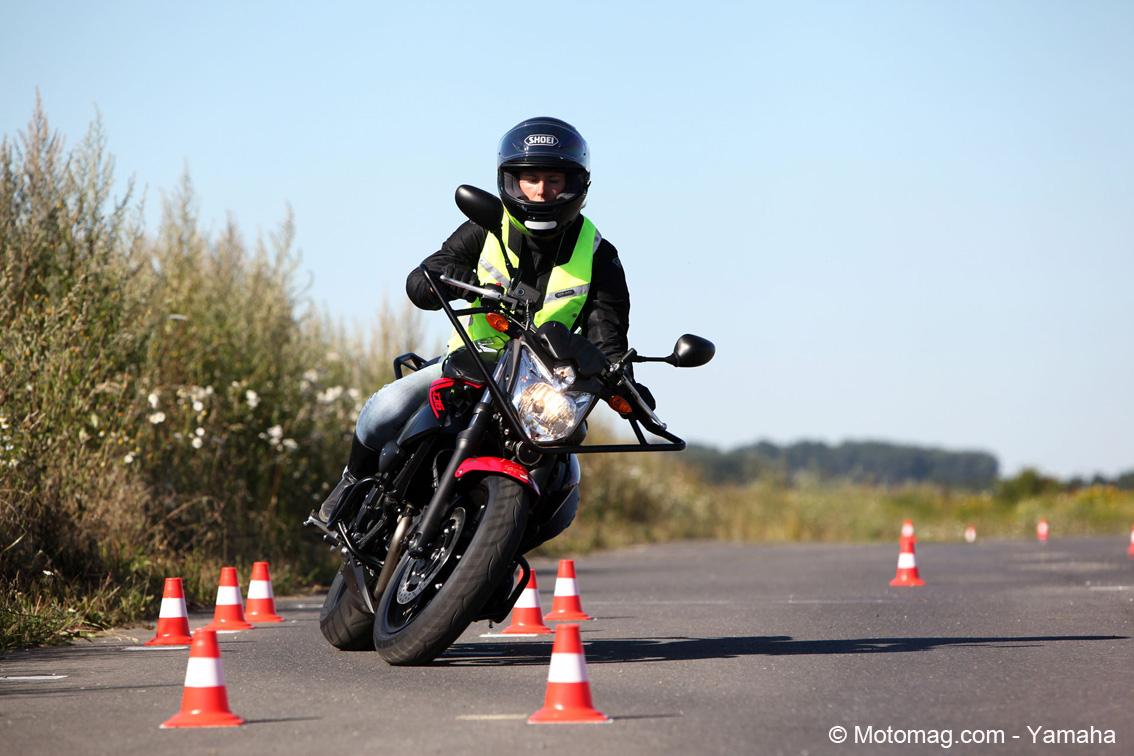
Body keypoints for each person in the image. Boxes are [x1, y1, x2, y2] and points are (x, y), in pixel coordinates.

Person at [316, 116, 644, 524]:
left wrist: (627, 385)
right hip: (470, 362)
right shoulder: (486, 227)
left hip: (540, 387)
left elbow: (608, 335)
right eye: (530, 179)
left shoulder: (599, 256)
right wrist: (454, 280)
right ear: (510, 181)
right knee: (388, 405)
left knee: (563, 485)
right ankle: (350, 484)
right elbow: (423, 278)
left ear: (576, 184)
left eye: (554, 179)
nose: (541, 191)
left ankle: (503, 542)